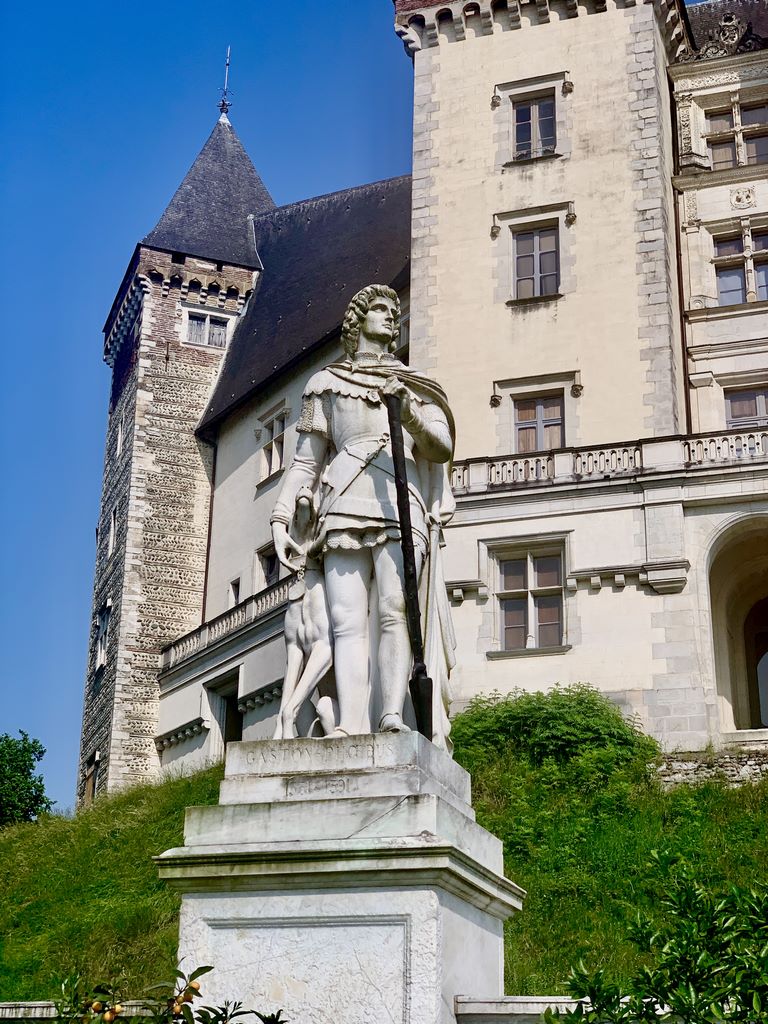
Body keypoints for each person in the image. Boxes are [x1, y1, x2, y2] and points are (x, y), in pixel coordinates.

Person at [270, 284, 456, 746]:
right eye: (379, 309)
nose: (390, 316)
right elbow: (306, 462)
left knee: (396, 611)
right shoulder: (325, 384)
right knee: (345, 620)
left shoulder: (415, 386)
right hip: (342, 500)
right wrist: (279, 516)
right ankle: (352, 721)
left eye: (394, 311)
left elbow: (441, 447)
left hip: (401, 498)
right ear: (357, 322)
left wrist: (408, 413)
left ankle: (391, 713)